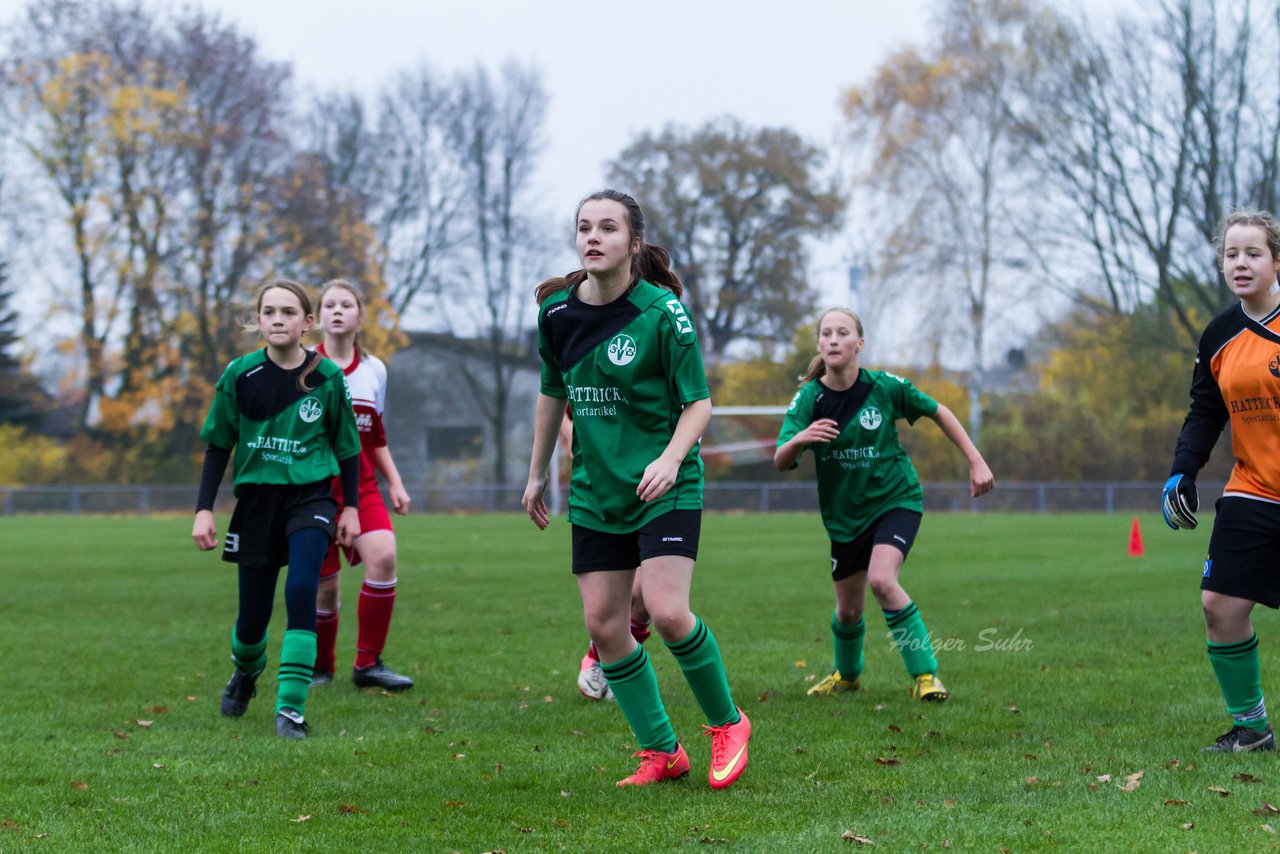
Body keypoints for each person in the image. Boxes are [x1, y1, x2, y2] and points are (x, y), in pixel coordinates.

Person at [522, 189, 752, 789]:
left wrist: (673, 460)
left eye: (607, 228)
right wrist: (536, 473)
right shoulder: (556, 314)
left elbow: (699, 404)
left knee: (669, 612)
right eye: (583, 227)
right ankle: (662, 751)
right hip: (598, 492)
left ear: (634, 243)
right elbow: (553, 395)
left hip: (665, 483)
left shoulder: (661, 313)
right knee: (604, 626)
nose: (593, 237)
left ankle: (728, 724)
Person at [774, 308, 994, 702]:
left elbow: (938, 411)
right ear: (820, 345)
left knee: (882, 580)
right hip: (844, 518)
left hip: (896, 499)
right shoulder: (809, 398)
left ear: (859, 343)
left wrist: (976, 461)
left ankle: (926, 676)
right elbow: (782, 459)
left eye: (843, 333)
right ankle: (848, 676)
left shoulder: (884, 387)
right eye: (827, 334)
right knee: (848, 613)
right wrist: (802, 437)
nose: (834, 339)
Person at [192, 279, 362, 739]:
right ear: (259, 320)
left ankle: (290, 709)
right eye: (269, 312)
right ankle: (246, 671)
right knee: (252, 620)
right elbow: (217, 446)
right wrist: (204, 510)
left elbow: (348, 448)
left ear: (308, 322)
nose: (278, 320)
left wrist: (350, 509)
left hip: (310, 499)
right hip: (256, 505)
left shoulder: (327, 378)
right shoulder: (239, 375)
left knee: (303, 587)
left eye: (289, 312)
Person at [1164, 207, 1280, 753]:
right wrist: (1182, 470)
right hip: (1253, 488)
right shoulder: (1218, 336)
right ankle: (1253, 728)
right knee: (1220, 605)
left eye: (1253, 252)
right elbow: (1205, 412)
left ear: (1275, 260)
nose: (1241, 262)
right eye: (1231, 253)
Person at [311, 279, 415, 691]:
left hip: (364, 488)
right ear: (317, 317)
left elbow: (376, 437)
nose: (337, 311)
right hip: (314, 492)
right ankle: (321, 667)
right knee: (325, 588)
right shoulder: (303, 367)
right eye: (329, 305)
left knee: (384, 557)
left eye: (346, 304)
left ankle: (368, 664)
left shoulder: (375, 370)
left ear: (360, 315)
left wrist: (397, 483)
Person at [560, 406, 656, 702]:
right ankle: (606, 659)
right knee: (618, 599)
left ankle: (611, 661)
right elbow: (559, 406)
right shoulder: (589, 363)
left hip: (658, 485)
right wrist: (582, 440)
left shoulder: (669, 363)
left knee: (648, 595)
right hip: (605, 490)